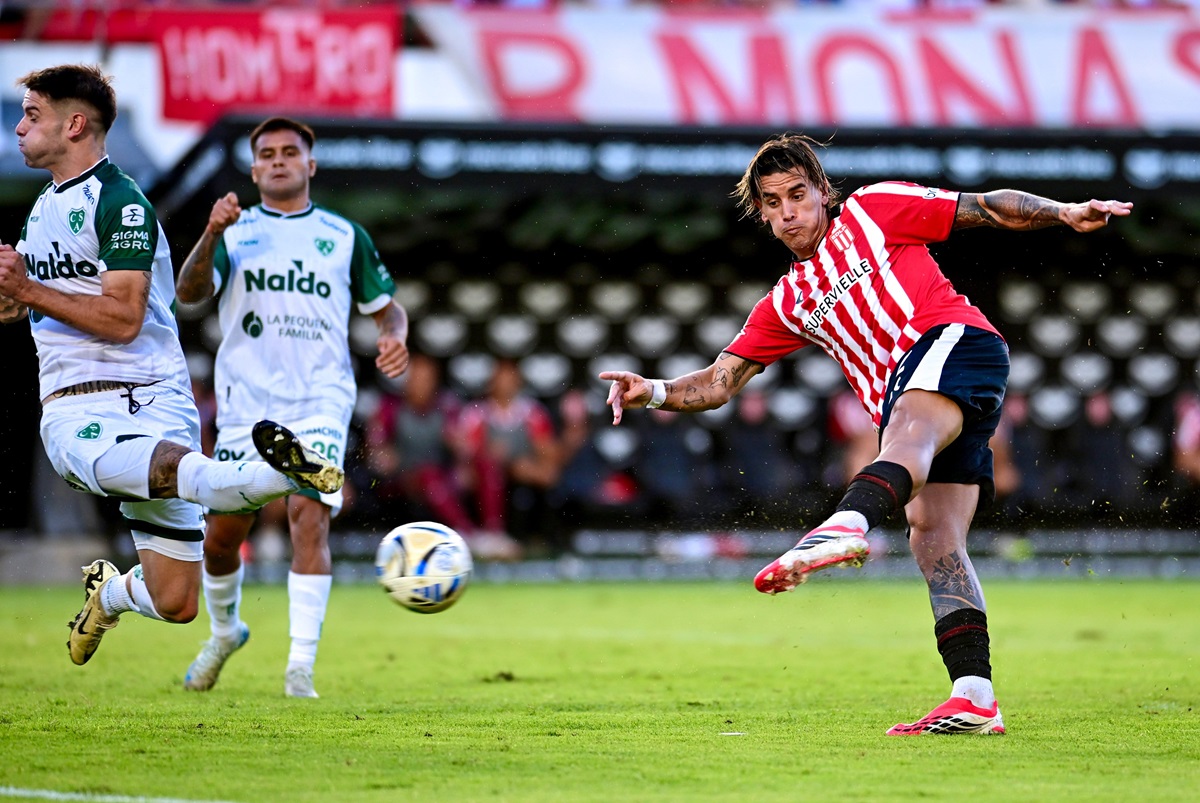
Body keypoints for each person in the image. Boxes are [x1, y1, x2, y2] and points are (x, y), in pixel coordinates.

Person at [601, 132, 1132, 736]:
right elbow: (721, 382)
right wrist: (657, 390)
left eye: (798, 195)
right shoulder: (786, 302)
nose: (788, 213)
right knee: (934, 536)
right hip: (917, 390)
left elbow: (983, 206)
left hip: (952, 343)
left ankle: (846, 525)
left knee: (903, 434)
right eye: (772, 204)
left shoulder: (873, 210)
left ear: (823, 192)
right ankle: (975, 695)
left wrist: (1062, 212)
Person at [0, 65, 340, 669]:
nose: (21, 127)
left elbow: (124, 318)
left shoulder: (121, 203)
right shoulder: (42, 209)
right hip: (80, 410)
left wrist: (26, 290)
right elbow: (23, 304)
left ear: (73, 124)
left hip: (159, 398)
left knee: (178, 601)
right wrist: (12, 291)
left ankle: (107, 594)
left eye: (32, 114)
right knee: (189, 472)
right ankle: (290, 475)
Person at [174, 116, 410, 698]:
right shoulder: (234, 230)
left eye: (290, 152)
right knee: (222, 538)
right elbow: (188, 294)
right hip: (245, 404)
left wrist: (395, 336)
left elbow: (388, 308)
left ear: (311, 164)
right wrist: (209, 233)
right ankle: (225, 632)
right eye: (267, 154)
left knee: (310, 517)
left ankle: (300, 666)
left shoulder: (343, 234)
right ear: (254, 170)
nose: (278, 160)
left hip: (320, 398)